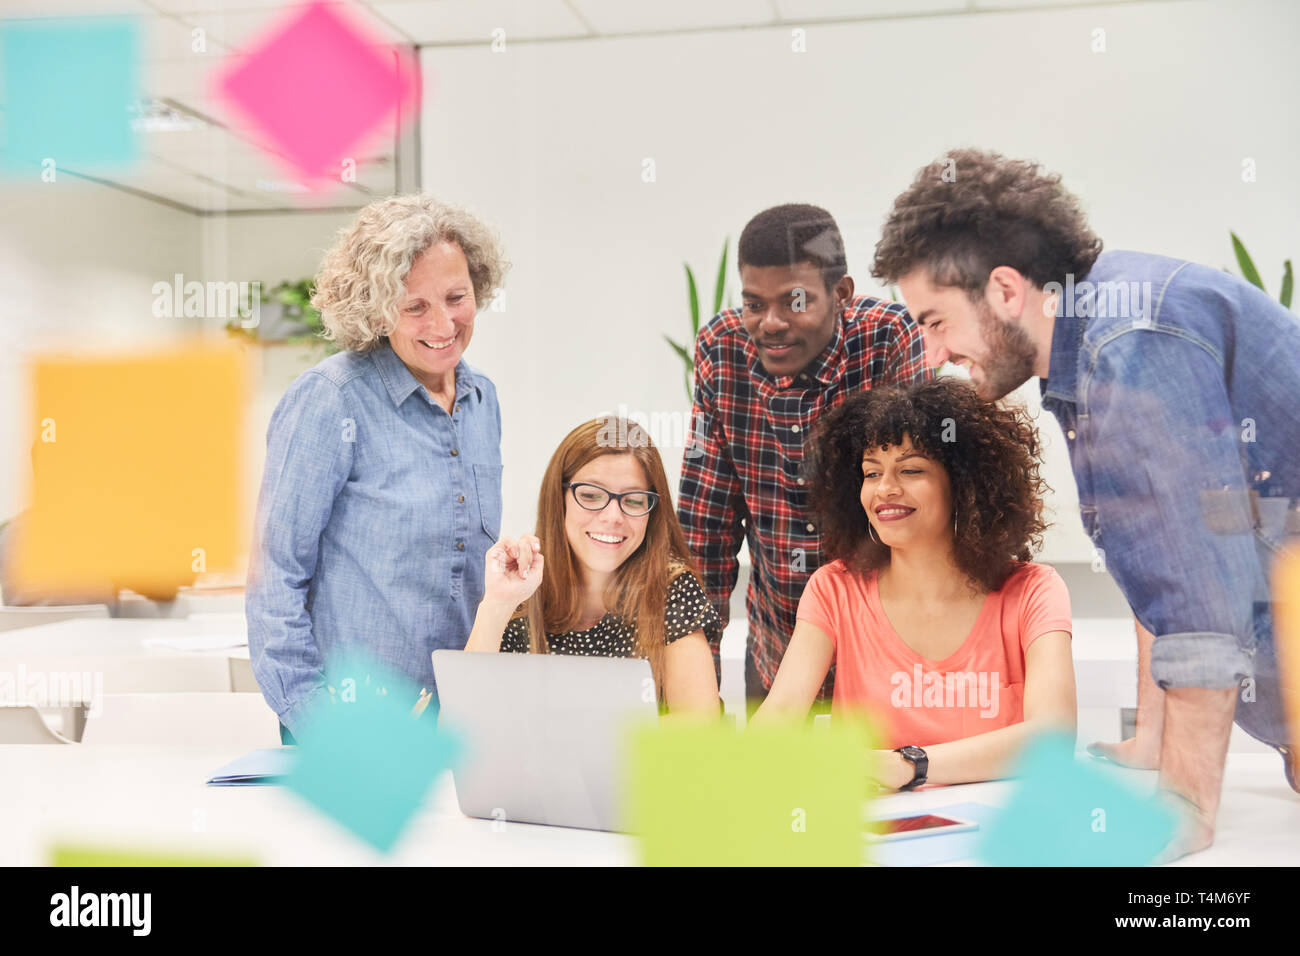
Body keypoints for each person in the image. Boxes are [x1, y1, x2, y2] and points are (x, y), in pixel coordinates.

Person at [872, 147, 1300, 855]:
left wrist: (1182, 810)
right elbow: (1161, 557)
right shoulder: (1100, 327)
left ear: (1006, 291)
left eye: (935, 320)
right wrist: (1155, 741)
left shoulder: (1127, 348)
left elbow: (1200, 604)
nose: (930, 354)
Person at [246, 195, 509, 741]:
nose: (443, 323)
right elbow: (274, 576)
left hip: (460, 714)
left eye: (457, 297)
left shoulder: (482, 398)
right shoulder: (330, 400)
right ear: (375, 307)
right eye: (415, 307)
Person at [752, 379, 1076, 789]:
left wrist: (908, 766)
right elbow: (779, 716)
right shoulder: (834, 589)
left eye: (911, 470)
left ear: (964, 485)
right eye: (872, 473)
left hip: (998, 838)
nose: (885, 489)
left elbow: (1054, 738)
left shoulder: (1033, 592)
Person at [678, 203, 929, 706]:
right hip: (775, 650)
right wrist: (695, 695)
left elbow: (917, 509)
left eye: (794, 301)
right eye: (753, 303)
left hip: (881, 659)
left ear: (841, 295)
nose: (769, 323)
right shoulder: (721, 351)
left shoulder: (887, 339)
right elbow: (706, 527)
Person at [465, 417, 721, 715]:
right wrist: (497, 604)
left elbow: (697, 742)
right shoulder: (523, 587)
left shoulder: (672, 590)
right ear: (559, 499)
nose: (613, 516)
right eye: (590, 495)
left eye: (635, 500)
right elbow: (460, 731)